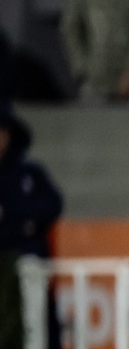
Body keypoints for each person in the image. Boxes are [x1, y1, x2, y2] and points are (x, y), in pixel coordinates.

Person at [0, 102, 62, 258]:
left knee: (31, 266)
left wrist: (11, 213)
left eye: (2, 132)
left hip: (27, 253)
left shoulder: (30, 173)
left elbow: (53, 205)